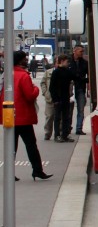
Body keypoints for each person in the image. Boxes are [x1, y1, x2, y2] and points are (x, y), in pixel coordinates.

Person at [12, 50, 52, 181]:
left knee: (11, 147)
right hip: (23, 116)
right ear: (20, 60)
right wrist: (36, 89)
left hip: (10, 115)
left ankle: (9, 172)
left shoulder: (7, 74)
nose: (27, 60)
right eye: (25, 58)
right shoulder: (23, 76)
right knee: (31, 145)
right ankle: (37, 170)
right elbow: (29, 95)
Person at [49, 54, 74, 143]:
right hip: (58, 99)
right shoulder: (56, 72)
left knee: (66, 117)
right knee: (58, 117)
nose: (68, 63)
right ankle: (57, 135)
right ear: (62, 61)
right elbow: (52, 87)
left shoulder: (68, 71)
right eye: (67, 62)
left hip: (65, 97)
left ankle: (65, 135)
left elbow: (75, 77)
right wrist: (55, 99)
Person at [68, 45, 89, 135]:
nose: (82, 53)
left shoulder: (84, 63)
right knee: (69, 109)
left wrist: (86, 82)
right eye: (81, 51)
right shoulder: (68, 61)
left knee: (81, 109)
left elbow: (89, 74)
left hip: (80, 87)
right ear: (75, 51)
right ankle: (68, 127)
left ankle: (79, 128)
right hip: (69, 88)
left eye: (83, 51)